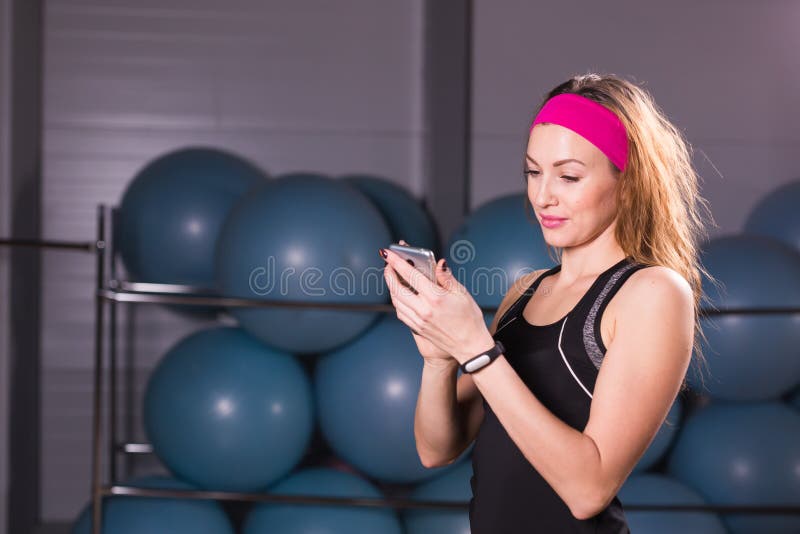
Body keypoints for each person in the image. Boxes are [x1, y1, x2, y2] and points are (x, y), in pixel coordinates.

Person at [379, 72, 717, 533]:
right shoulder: (526, 292)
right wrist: (439, 356)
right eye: (533, 172)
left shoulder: (653, 293)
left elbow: (588, 490)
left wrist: (477, 349)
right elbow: (436, 449)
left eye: (569, 176)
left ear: (629, 180)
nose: (542, 196)